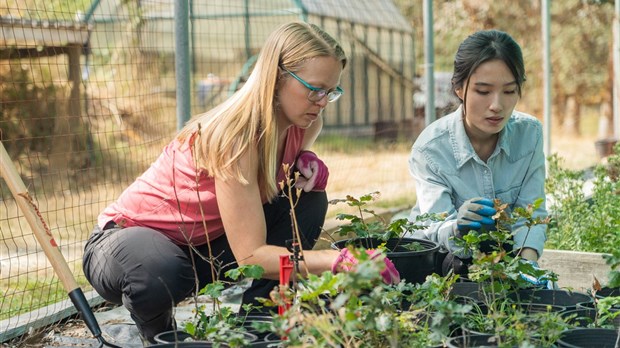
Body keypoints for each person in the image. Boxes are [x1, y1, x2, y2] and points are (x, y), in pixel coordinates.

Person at [82, 21, 398, 344]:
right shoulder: (238, 138)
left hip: (199, 246)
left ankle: (263, 321)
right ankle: (161, 335)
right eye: (314, 89)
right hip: (121, 245)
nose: (321, 102)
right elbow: (251, 256)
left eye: (331, 92)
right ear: (277, 78)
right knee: (161, 269)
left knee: (309, 200)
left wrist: (306, 162)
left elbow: (281, 189)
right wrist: (338, 260)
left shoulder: (305, 125)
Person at [407, 29, 547, 279]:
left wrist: (528, 271)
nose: (497, 105)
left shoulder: (530, 134)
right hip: (438, 260)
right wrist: (459, 228)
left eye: (509, 91)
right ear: (459, 89)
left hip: (501, 256)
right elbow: (433, 229)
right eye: (483, 91)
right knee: (459, 267)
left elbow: (531, 214)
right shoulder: (430, 149)